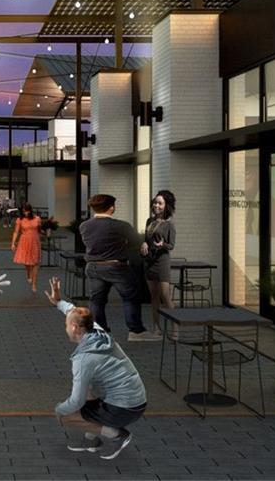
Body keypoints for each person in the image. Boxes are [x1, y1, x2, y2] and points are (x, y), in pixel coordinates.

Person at [45, 277, 147, 460]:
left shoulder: (83, 360)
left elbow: (75, 401)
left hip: (124, 408)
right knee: (89, 390)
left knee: (67, 415)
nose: (65, 327)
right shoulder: (96, 330)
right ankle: (91, 440)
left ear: (75, 328)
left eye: (66, 325)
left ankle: (117, 435)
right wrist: (59, 302)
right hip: (137, 399)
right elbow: (72, 311)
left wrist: (58, 409)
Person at [79, 194, 155, 341]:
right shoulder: (121, 226)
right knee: (130, 298)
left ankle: (99, 333)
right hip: (116, 267)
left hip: (93, 267)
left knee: (97, 300)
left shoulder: (84, 226)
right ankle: (136, 332)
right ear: (111, 207)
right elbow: (136, 242)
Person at [140, 191, 176, 337]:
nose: (156, 205)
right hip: (149, 262)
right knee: (153, 297)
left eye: (160, 203)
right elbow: (145, 239)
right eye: (155, 202)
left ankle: (175, 329)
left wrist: (163, 245)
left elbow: (171, 245)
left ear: (166, 206)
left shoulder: (169, 224)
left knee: (165, 296)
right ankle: (157, 328)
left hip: (162, 262)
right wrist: (143, 244)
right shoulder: (150, 221)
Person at [11, 202, 42, 293]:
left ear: (30, 210)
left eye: (27, 211)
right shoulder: (20, 220)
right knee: (27, 262)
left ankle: (34, 284)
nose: (26, 213)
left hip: (35, 241)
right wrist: (13, 243)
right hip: (24, 241)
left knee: (35, 262)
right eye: (24, 211)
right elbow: (16, 232)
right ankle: (28, 273)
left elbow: (39, 230)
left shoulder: (37, 219)